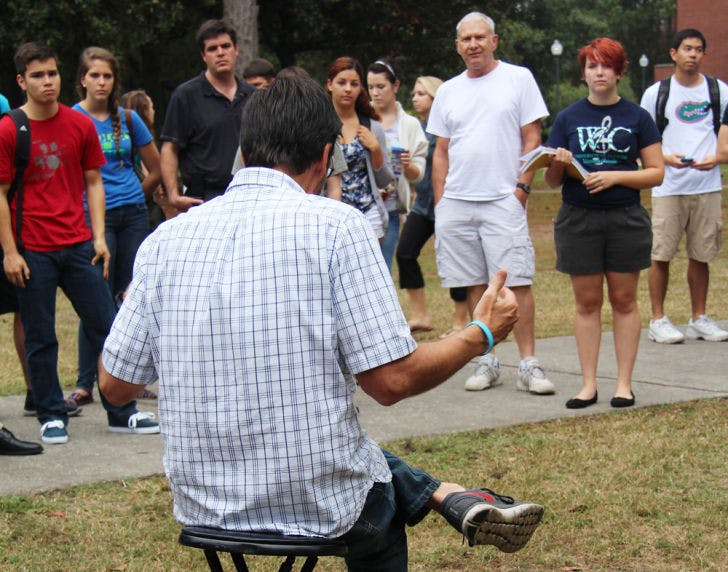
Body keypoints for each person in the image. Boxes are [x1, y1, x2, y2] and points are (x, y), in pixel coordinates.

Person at [99, 76, 544, 568]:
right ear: (325, 155)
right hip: (320, 505)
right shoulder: (337, 227)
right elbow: (391, 382)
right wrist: (479, 334)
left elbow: (115, 386)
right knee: (370, 490)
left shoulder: (165, 240)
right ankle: (444, 494)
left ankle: (448, 495)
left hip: (205, 506)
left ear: (245, 150)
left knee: (343, 446)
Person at [0, 42, 159, 444]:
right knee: (41, 335)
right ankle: (51, 413)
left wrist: (99, 236)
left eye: (52, 73)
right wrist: (10, 252)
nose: (47, 82)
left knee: (109, 326)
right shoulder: (10, 128)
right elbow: (0, 193)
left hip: (80, 244)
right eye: (37, 75)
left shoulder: (79, 124)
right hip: (32, 248)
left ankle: (121, 411)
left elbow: (93, 181)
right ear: (22, 81)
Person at [427, 12, 555, 395]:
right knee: (473, 282)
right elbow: (441, 152)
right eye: (466, 39)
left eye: (480, 37)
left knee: (516, 281)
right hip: (458, 202)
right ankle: (488, 359)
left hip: (503, 198)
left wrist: (521, 190)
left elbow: (533, 138)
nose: (473, 45)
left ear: (494, 41)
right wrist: (441, 203)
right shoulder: (449, 90)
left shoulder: (518, 79)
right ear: (457, 46)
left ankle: (530, 363)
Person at [544, 37, 664, 409]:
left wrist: (615, 177)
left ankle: (624, 385)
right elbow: (549, 180)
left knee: (625, 300)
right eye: (592, 66)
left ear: (619, 71)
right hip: (578, 218)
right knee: (587, 302)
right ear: (583, 73)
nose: (599, 72)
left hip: (625, 217)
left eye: (606, 65)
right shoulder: (567, 118)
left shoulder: (638, 117)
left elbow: (656, 173)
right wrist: (560, 162)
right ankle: (588, 385)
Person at [70, 47, 161, 407]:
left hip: (132, 215)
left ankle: (129, 380)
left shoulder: (127, 117)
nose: (102, 82)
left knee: (129, 297)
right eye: (95, 75)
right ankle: (84, 382)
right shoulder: (74, 119)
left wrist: (134, 195)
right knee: (95, 296)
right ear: (82, 79)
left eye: (107, 76)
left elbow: (155, 168)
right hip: (94, 218)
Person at [640, 28, 728, 344]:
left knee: (701, 254)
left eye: (698, 49)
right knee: (660, 253)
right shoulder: (656, 93)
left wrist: (716, 158)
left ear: (704, 54)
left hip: (706, 185)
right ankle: (658, 319)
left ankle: (699, 318)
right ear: (673, 54)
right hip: (668, 185)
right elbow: (642, 140)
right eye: (687, 48)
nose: (692, 54)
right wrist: (665, 158)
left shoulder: (719, 91)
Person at [394, 76, 469, 334]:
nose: (415, 98)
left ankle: (461, 321)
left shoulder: (449, 129)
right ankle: (420, 314)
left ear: (436, 99)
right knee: (405, 252)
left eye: (421, 94)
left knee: (455, 261)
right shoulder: (417, 129)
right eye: (414, 93)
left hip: (449, 202)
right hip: (423, 205)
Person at [160, 19, 254, 211]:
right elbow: (169, 148)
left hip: (247, 193)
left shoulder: (254, 96)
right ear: (203, 55)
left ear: (236, 49)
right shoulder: (186, 96)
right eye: (212, 48)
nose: (220, 52)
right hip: (203, 197)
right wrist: (173, 195)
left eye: (226, 46)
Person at [367, 58, 428, 271]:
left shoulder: (409, 125)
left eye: (381, 87)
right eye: (371, 87)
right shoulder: (362, 119)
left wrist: (408, 165)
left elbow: (417, 174)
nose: (375, 93)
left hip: (390, 208)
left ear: (395, 85)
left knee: (382, 271)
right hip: (362, 206)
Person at [325, 57, 394, 239]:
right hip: (332, 213)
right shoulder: (319, 126)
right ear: (330, 84)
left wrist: (376, 149)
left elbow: (385, 180)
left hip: (368, 212)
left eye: (354, 84)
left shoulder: (372, 127)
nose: (348, 89)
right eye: (342, 83)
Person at [121, 89, 176, 228]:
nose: (154, 111)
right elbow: (149, 173)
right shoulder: (142, 144)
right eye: (151, 107)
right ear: (144, 111)